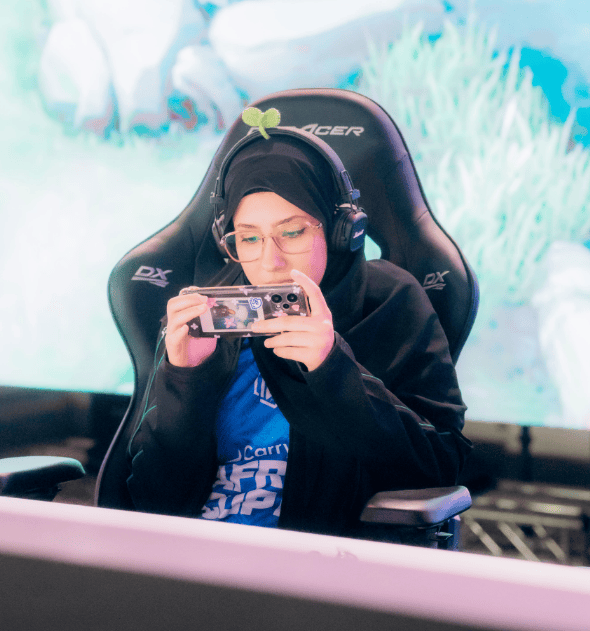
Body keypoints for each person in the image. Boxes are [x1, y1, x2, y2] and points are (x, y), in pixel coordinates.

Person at [126, 133, 472, 538]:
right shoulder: (206, 315)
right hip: (190, 555)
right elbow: (149, 499)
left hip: (319, 564)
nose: (269, 261)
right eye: (249, 238)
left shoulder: (391, 303)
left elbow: (440, 467)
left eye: (292, 233)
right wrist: (185, 380)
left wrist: (334, 369)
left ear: (341, 231)